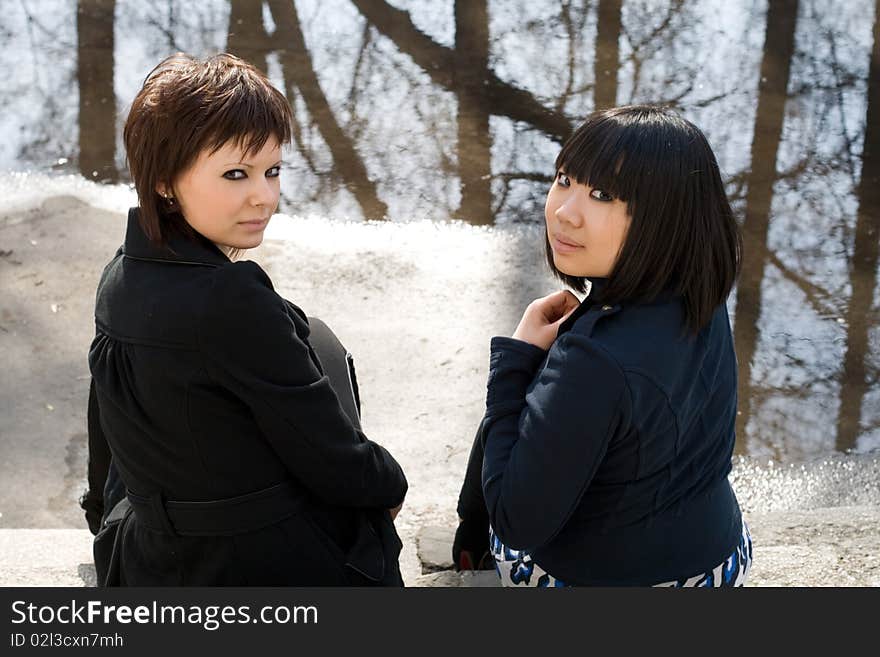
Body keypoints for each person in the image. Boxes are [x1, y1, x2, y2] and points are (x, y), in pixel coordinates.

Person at [79, 52, 407, 586]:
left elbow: (106, 420)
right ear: (164, 180)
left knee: (302, 331)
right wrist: (391, 486)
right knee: (316, 341)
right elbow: (332, 457)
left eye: (272, 170)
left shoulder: (121, 273)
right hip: (248, 567)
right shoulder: (232, 298)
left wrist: (102, 517)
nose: (265, 196)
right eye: (236, 174)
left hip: (147, 556)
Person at [453, 105, 751, 587]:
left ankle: (470, 544)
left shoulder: (593, 360)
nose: (563, 211)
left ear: (662, 217)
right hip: (720, 558)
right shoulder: (699, 291)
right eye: (565, 179)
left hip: (614, 581)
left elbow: (515, 522)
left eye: (602, 195)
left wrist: (517, 359)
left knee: (521, 397)